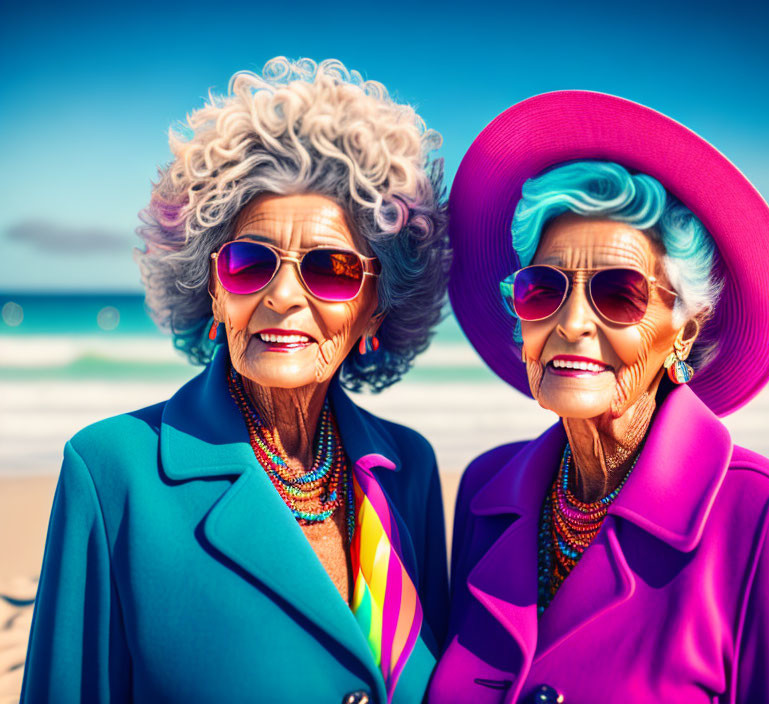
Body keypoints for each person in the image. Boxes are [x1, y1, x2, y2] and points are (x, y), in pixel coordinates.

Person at [22, 56, 450, 704]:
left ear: (375, 308)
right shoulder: (109, 473)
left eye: (330, 269)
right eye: (250, 263)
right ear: (214, 294)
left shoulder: (408, 468)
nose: (282, 297)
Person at [428, 91, 769, 703]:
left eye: (620, 294)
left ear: (684, 327)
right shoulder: (483, 491)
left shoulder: (764, 515)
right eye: (541, 289)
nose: (571, 322)